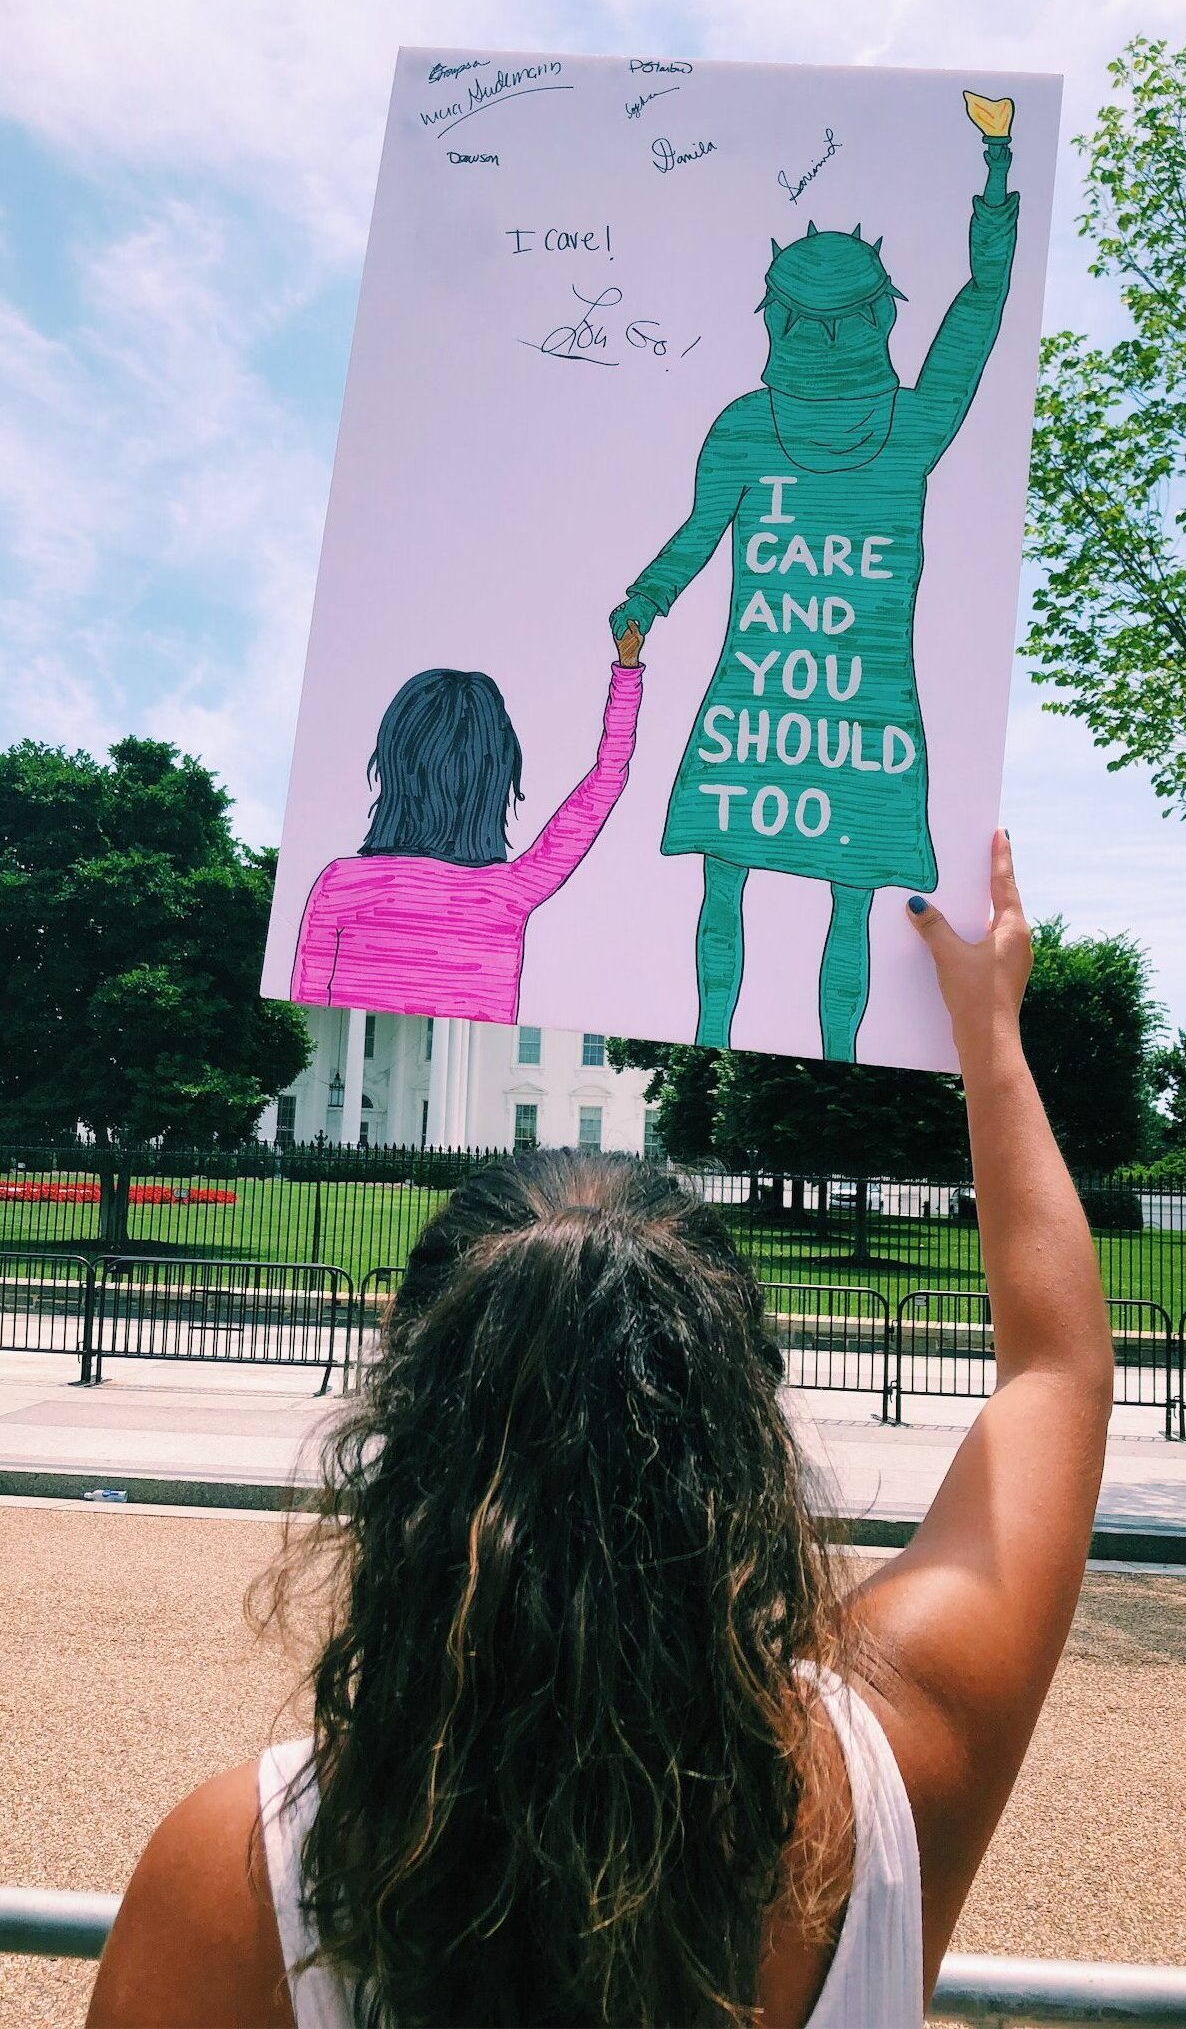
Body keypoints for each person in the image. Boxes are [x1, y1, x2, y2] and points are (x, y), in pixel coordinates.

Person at [88, 831, 1114, 2029]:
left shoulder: (235, 1875)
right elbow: (1057, 1373)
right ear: (742, 1421)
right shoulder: (894, 1759)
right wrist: (987, 1030)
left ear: (403, 1418)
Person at [609, 93, 1019, 1062]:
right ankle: (716, 1049)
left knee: (819, 904)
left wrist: (998, 165)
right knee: (761, 892)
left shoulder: (878, 428)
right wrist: (646, 599)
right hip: (779, 699)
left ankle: (819, 1057)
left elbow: (980, 311)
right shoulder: (791, 429)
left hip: (832, 708)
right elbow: (697, 535)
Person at [290, 619, 645, 1021]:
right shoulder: (511, 890)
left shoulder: (338, 884)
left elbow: (307, 1006)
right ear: (496, 773)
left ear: (394, 761)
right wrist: (627, 670)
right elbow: (608, 775)